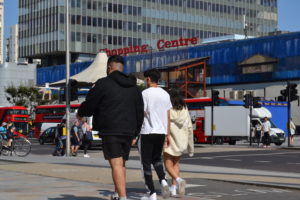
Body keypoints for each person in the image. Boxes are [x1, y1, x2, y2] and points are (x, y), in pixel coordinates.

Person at [78, 55, 144, 200]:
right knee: (121, 164)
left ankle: (122, 197)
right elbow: (140, 111)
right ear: (121, 68)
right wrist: (136, 133)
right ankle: (117, 193)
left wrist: (80, 113)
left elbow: (89, 105)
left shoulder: (103, 83)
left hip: (111, 129)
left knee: (116, 164)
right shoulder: (134, 87)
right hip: (129, 130)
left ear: (109, 68)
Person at [139, 69, 172, 200]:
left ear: (148, 79)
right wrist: (167, 134)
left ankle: (151, 193)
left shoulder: (145, 93)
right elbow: (168, 116)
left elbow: (141, 113)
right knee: (157, 159)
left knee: (145, 163)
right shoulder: (165, 94)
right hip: (161, 131)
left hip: (147, 131)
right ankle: (163, 180)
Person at [163, 89, 194, 197]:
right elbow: (190, 127)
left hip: (170, 140)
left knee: (167, 165)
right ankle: (173, 189)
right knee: (176, 164)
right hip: (182, 141)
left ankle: (179, 180)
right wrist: (191, 148)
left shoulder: (168, 109)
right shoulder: (185, 109)